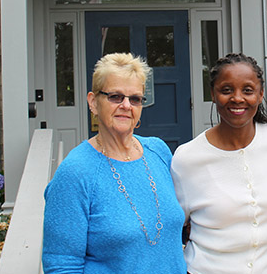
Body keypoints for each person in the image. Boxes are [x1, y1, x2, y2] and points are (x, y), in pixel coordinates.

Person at [42, 52, 186, 273]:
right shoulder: (75, 172)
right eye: (115, 96)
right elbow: (62, 264)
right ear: (93, 102)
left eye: (135, 98)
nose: (126, 105)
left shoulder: (158, 151)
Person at [171, 53, 267, 274]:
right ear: (213, 94)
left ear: (260, 94)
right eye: (226, 90)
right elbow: (173, 226)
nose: (237, 98)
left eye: (247, 90)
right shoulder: (187, 159)